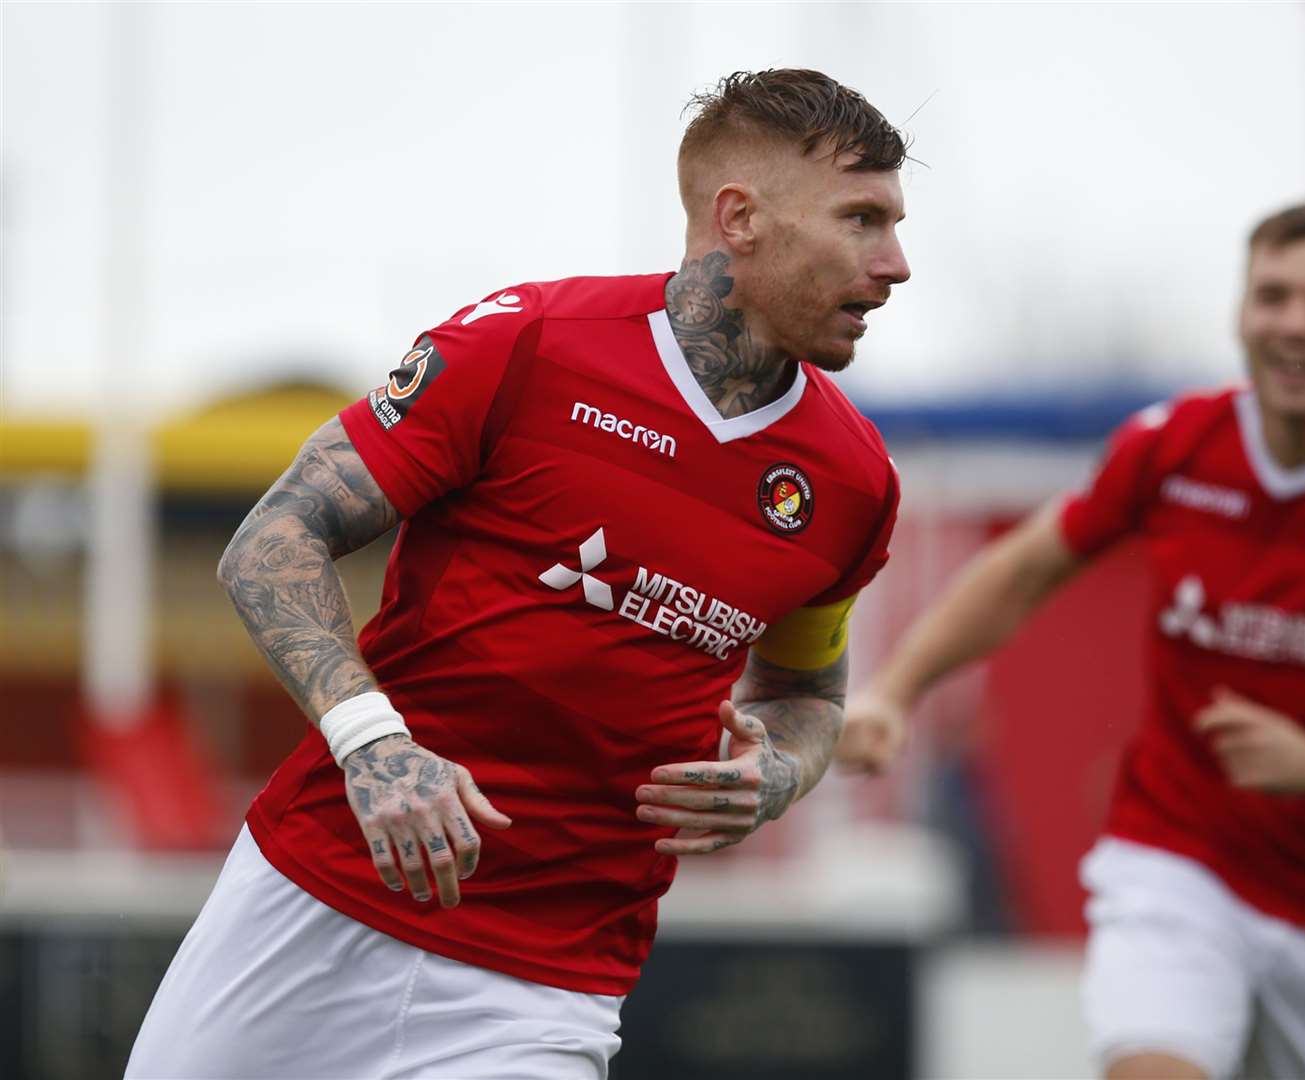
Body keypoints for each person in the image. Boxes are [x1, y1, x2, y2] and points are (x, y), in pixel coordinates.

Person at [127, 68, 911, 1079]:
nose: (895, 263)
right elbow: (274, 542)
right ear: (740, 218)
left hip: (548, 984)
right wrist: (375, 750)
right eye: (862, 219)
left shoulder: (853, 481)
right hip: (318, 900)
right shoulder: (529, 345)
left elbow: (808, 693)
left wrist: (778, 774)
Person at [836, 202, 1305, 1080]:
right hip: (1171, 856)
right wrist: (895, 691)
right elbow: (1024, 569)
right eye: (1272, 296)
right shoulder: (1174, 445)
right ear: (1241, 311)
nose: (1293, 324)